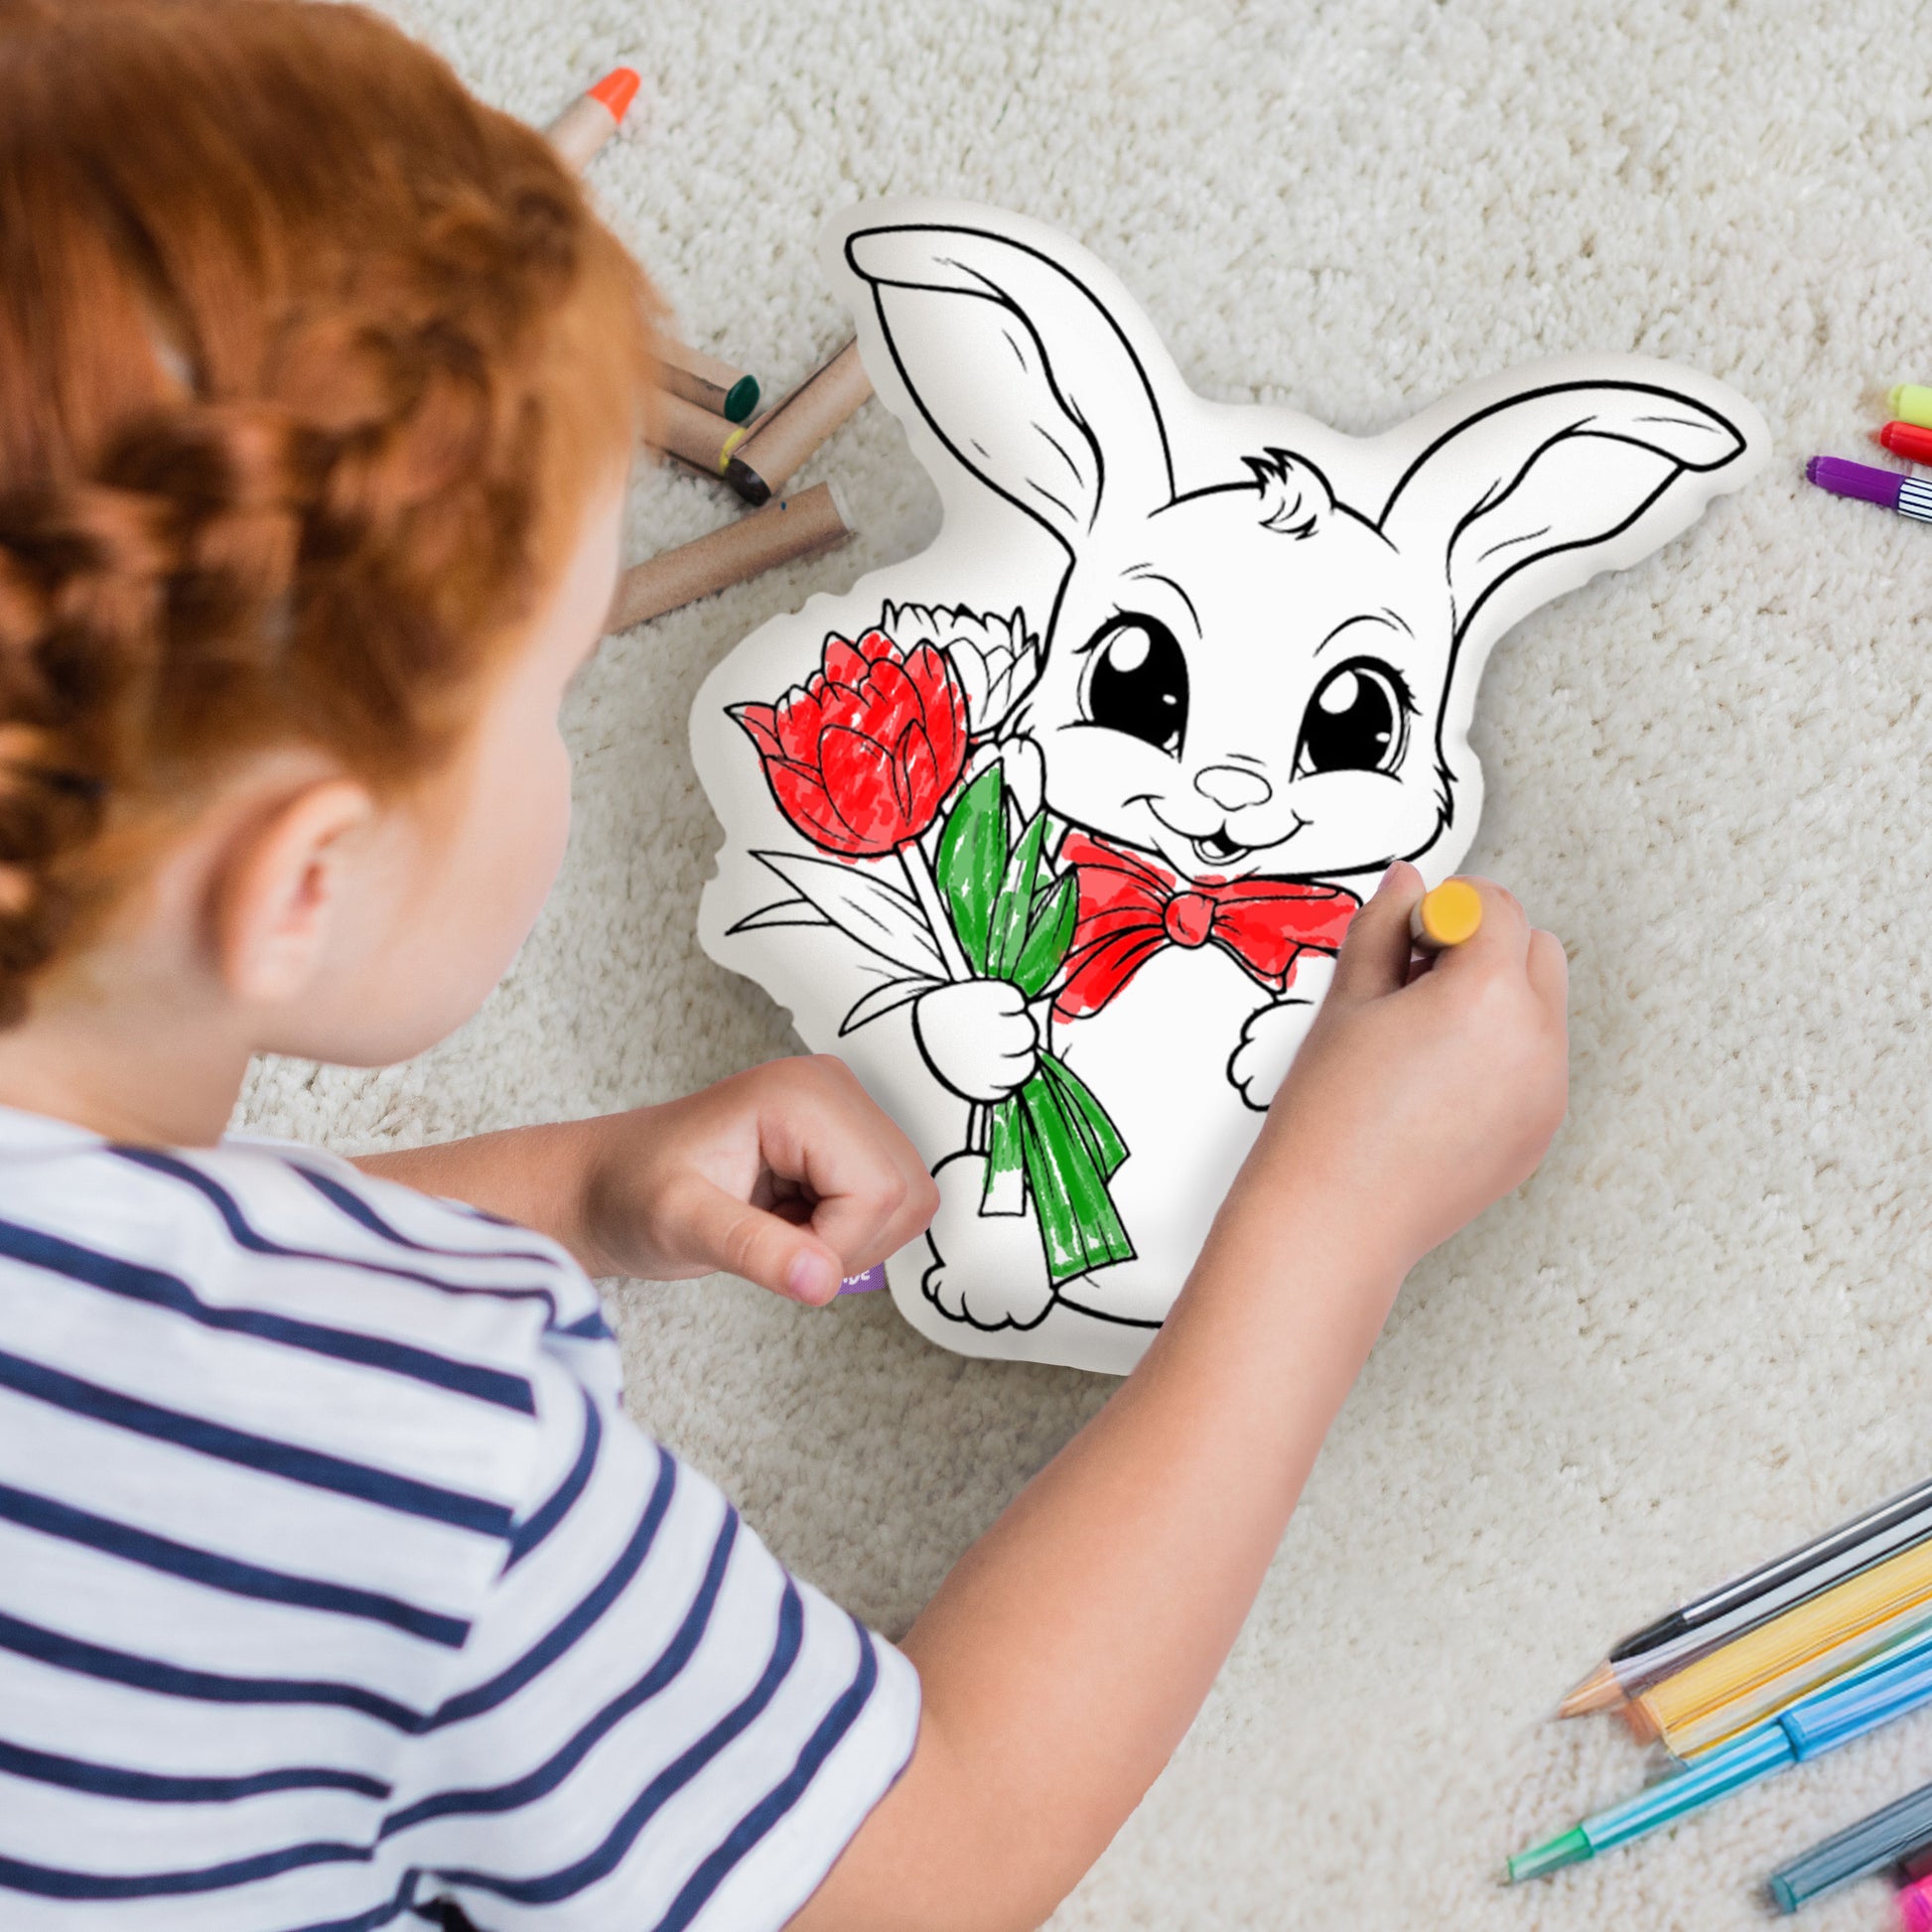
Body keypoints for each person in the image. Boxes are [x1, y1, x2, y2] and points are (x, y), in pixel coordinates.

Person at [0, 3, 1571, 1927]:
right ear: (304, 878)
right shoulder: (424, 1459)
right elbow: (923, 1859)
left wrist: (562, 1187)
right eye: (548, 697)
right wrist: (1327, 1228)